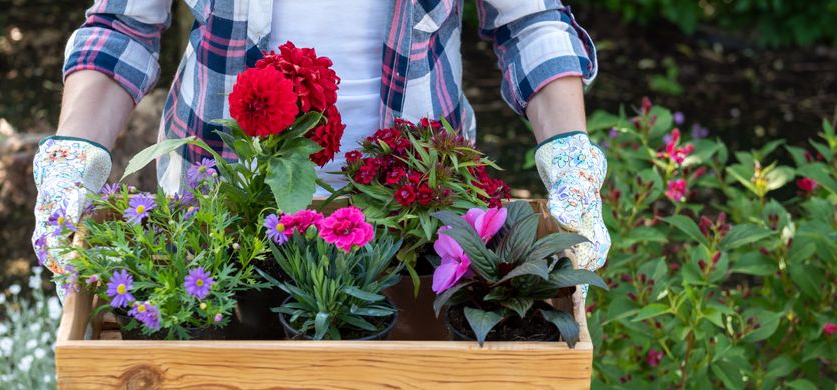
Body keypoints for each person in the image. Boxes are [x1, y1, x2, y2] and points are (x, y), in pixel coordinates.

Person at [33, 0, 610, 297]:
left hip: (416, 217)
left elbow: (527, 21)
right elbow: (124, 27)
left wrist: (570, 161)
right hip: (221, 209)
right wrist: (71, 162)